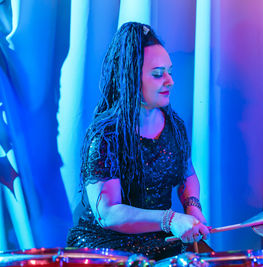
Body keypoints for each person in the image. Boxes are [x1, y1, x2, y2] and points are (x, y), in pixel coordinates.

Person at [66, 22, 209, 260]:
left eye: (169, 72)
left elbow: (188, 174)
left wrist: (192, 207)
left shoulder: (175, 125)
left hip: (159, 244)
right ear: (131, 78)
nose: (169, 81)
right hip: (107, 249)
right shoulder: (105, 136)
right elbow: (108, 213)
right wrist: (171, 219)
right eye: (157, 74)